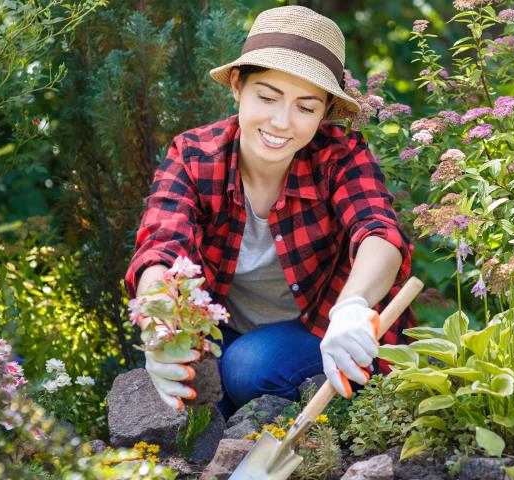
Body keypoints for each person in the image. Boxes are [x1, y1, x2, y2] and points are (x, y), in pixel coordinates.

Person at [123, 5, 414, 417]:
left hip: (326, 329)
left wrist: (353, 307)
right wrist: (159, 326)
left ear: (325, 112)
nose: (281, 122)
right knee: (190, 391)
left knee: (245, 367)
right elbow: (160, 247)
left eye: (306, 107)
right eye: (268, 97)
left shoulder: (340, 156)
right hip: (230, 330)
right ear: (238, 86)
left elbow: (380, 236)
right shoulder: (193, 156)